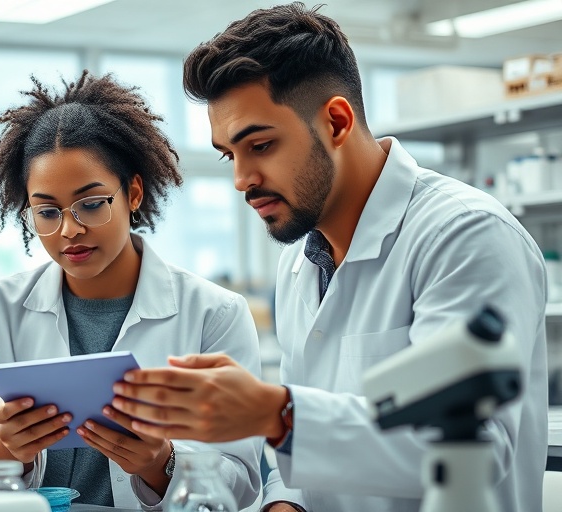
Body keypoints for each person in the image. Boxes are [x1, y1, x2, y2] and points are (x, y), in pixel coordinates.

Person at [109, 3, 548, 512]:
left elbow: (474, 450)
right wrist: (285, 503)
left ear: (337, 121)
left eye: (262, 144)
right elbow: (304, 460)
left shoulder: (465, 234)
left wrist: (274, 414)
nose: (241, 180)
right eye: (231, 154)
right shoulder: (301, 262)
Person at [0, 71, 263, 510]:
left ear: (133, 192)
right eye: (47, 212)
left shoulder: (215, 313)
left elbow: (243, 480)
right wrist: (5, 451)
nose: (70, 230)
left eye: (91, 204)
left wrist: (161, 462)